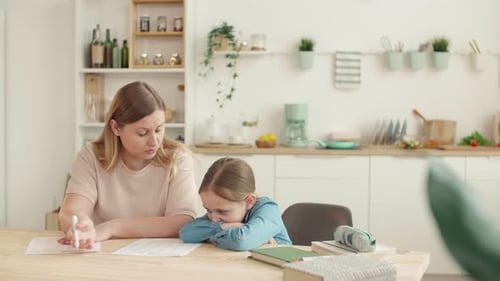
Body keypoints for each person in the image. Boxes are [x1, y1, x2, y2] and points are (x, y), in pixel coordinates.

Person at [58, 81, 199, 249]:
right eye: (142, 133)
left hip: (158, 258)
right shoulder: (91, 157)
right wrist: (82, 225)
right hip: (103, 256)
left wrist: (111, 228)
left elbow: (182, 221)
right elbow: (70, 211)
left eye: (159, 129)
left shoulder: (178, 159)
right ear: (116, 127)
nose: (154, 141)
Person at [179, 157, 291, 251]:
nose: (213, 219)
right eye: (208, 210)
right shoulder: (218, 215)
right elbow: (186, 233)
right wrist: (225, 227)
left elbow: (241, 241)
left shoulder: (269, 210)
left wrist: (209, 236)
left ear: (249, 202)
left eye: (222, 211)